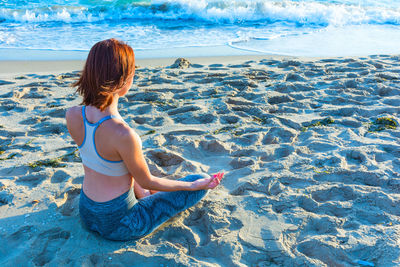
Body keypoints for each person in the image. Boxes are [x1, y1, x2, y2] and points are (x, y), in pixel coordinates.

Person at [65, 39, 223, 241]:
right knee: (195, 180)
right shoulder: (124, 134)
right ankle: (150, 197)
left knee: (124, 163)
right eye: (132, 72)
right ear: (123, 80)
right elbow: (146, 180)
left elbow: (112, 167)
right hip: (121, 224)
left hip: (87, 212)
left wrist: (144, 190)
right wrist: (192, 187)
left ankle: (146, 196)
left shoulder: (73, 115)